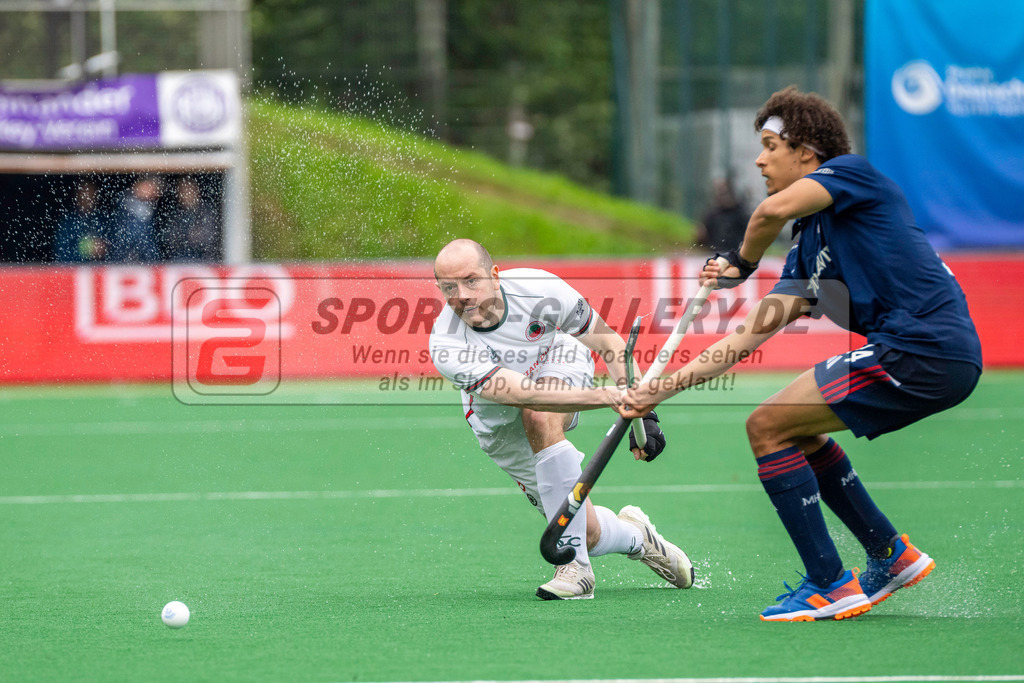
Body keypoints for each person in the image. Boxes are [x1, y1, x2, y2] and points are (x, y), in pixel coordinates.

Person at [619, 86, 982, 621]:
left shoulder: (852, 175)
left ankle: (829, 583)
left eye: (770, 145)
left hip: (921, 347)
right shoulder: (808, 247)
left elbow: (767, 213)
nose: (760, 159)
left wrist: (741, 264)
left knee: (767, 426)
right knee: (793, 429)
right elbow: (744, 339)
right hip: (923, 354)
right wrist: (658, 389)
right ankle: (889, 553)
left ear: (807, 152)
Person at [429, 238, 695, 600]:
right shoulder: (448, 344)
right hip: (500, 428)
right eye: (449, 287)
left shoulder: (539, 290)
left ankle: (575, 571)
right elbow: (523, 393)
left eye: (471, 280)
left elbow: (609, 344)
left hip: (558, 358)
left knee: (539, 418)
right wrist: (605, 397)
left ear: (495, 276)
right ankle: (637, 538)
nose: (461, 294)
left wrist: (644, 413)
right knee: (586, 533)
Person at [161, 176, 220, 261]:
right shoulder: (175, 213)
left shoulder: (206, 211)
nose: (187, 195)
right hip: (179, 257)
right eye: (183, 191)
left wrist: (201, 236)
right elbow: (167, 237)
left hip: (203, 257)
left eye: (189, 191)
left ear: (197, 191)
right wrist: (185, 236)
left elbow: (213, 235)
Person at [107, 175, 162, 262]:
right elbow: (124, 232)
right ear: (137, 186)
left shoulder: (157, 206)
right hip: (124, 250)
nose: (150, 192)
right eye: (147, 187)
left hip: (146, 252)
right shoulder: (125, 202)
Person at [54, 179, 109, 262]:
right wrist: (86, 250)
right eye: (84, 195)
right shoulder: (69, 222)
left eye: (91, 195)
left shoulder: (102, 220)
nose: (87, 199)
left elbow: (113, 248)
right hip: (73, 269)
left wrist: (104, 249)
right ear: (77, 197)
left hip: (98, 269)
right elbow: (61, 252)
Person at [694, 177, 749, 252]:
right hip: (715, 252)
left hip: (736, 253)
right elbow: (701, 237)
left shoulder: (741, 214)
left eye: (725, 193)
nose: (724, 197)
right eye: (721, 193)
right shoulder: (712, 214)